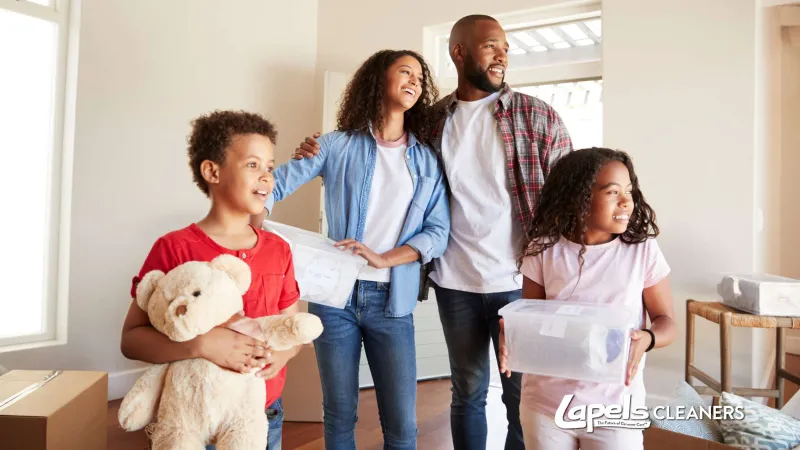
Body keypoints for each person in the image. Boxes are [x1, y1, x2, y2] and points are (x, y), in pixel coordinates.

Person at [292, 14, 573, 450]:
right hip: (454, 283)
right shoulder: (431, 123)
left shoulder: (538, 117)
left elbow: (566, 204)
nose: (502, 55)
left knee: (520, 395)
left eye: (506, 48)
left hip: (519, 283)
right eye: (490, 45)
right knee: (467, 393)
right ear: (459, 51)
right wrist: (312, 153)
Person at [250, 49, 450, 450]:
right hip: (333, 297)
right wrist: (256, 227)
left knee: (401, 423)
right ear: (379, 80)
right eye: (404, 72)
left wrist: (384, 257)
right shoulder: (335, 145)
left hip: (392, 302)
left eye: (419, 78)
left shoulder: (428, 161)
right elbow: (274, 185)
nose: (414, 81)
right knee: (339, 414)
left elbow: (438, 231)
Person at [121, 110, 303, 450]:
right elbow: (131, 340)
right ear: (212, 171)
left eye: (269, 167)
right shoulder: (173, 247)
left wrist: (283, 354)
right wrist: (200, 345)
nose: (265, 176)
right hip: (191, 417)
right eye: (252, 165)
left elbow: (292, 330)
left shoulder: (279, 250)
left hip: (261, 414)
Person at [498, 148, 678, 450]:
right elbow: (531, 317)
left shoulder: (642, 251)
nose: (626, 202)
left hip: (616, 408)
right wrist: (514, 335)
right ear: (579, 198)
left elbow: (667, 322)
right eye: (612, 192)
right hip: (545, 405)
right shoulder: (544, 249)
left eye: (629, 192)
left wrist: (646, 338)